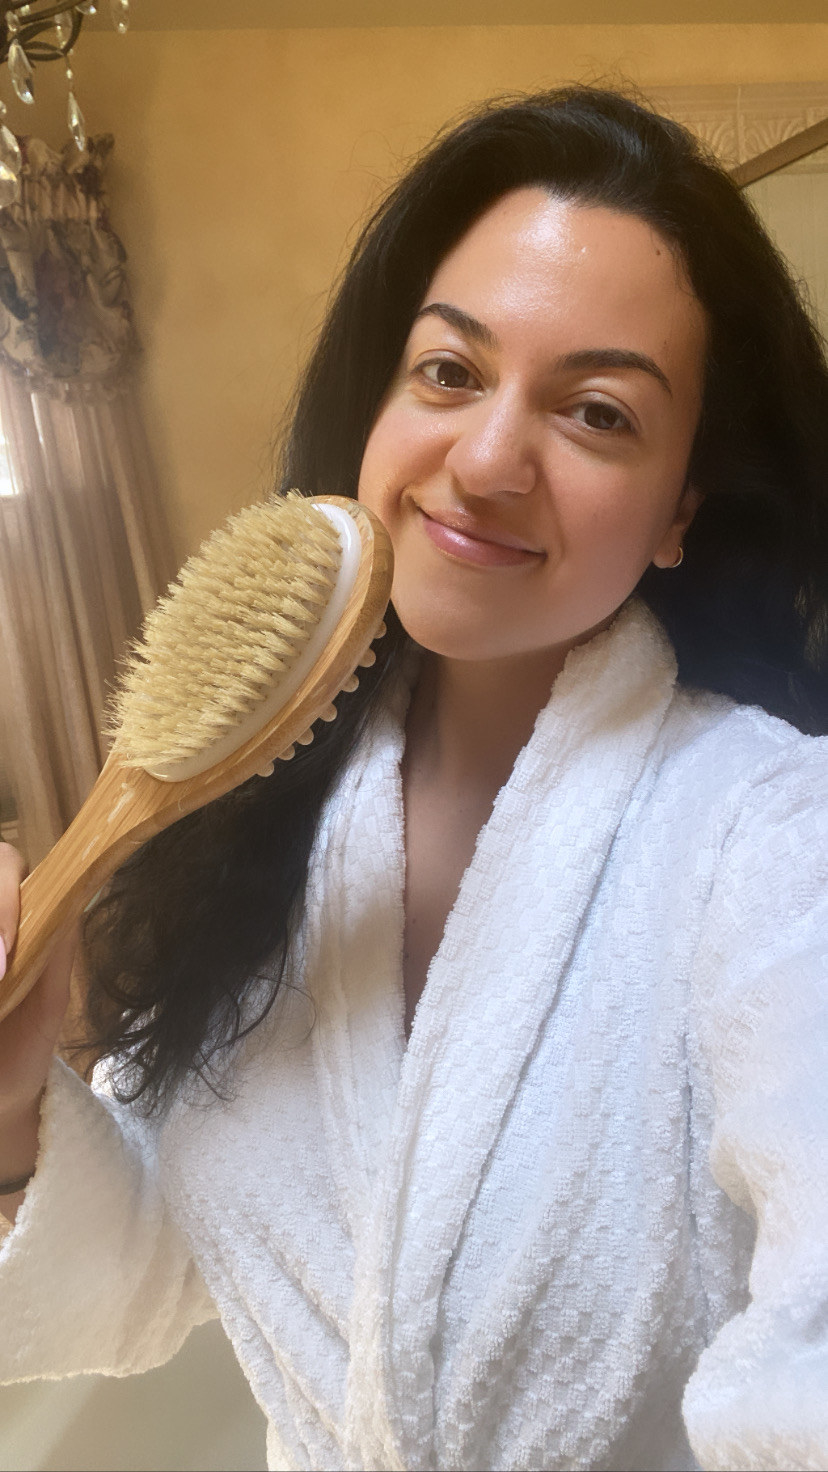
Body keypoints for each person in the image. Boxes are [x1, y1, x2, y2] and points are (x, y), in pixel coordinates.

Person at [1, 85, 827, 1472]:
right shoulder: (248, 813)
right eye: (449, 373)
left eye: (600, 414)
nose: (489, 458)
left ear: (683, 508)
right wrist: (18, 1110)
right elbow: (149, 1274)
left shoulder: (771, 839)